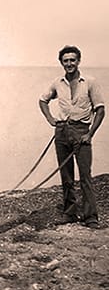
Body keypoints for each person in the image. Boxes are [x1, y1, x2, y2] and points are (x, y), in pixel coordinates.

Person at [39, 45, 105, 229]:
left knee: (85, 176)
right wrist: (50, 119)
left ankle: (91, 216)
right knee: (66, 175)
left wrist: (90, 134)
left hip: (81, 131)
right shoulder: (57, 82)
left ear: (78, 61)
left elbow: (100, 110)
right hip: (61, 132)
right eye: (66, 60)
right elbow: (42, 100)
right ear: (61, 62)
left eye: (72, 60)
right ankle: (70, 213)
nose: (69, 63)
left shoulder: (90, 82)